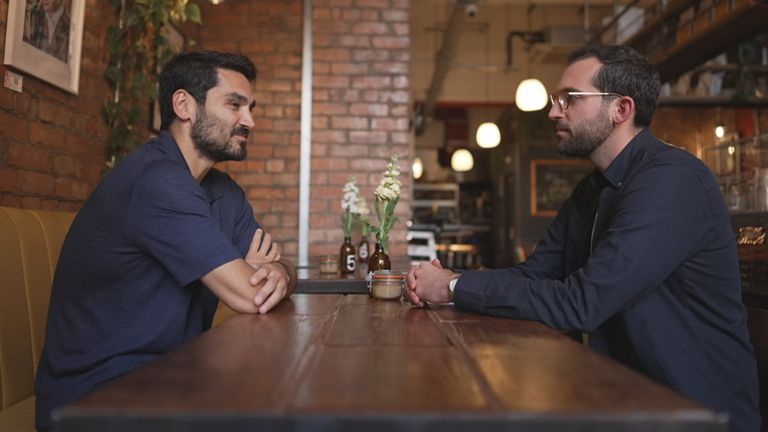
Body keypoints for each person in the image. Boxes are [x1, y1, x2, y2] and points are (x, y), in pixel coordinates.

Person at [405, 45, 759, 432]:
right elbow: (534, 274)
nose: (554, 111)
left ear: (621, 110)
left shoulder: (671, 181)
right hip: (621, 401)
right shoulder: (590, 191)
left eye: (569, 99)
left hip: (697, 414)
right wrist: (450, 281)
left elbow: (583, 303)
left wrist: (453, 287)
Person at [34, 51, 297, 431]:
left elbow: (271, 273)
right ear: (184, 105)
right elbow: (250, 294)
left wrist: (280, 271)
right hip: (96, 400)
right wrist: (259, 278)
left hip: (173, 379)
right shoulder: (157, 180)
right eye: (235, 104)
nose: (250, 121)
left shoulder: (223, 190)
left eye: (251, 107)